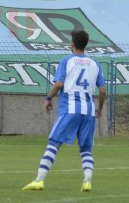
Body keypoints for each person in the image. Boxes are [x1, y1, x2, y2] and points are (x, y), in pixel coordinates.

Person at [22, 30, 106, 193]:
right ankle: (87, 182)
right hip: (88, 111)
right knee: (86, 149)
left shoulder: (66, 60)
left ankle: (39, 180)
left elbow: (59, 84)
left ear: (72, 45)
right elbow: (102, 91)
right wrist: (100, 108)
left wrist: (48, 98)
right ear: (86, 45)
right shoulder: (95, 64)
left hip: (70, 108)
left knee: (53, 143)